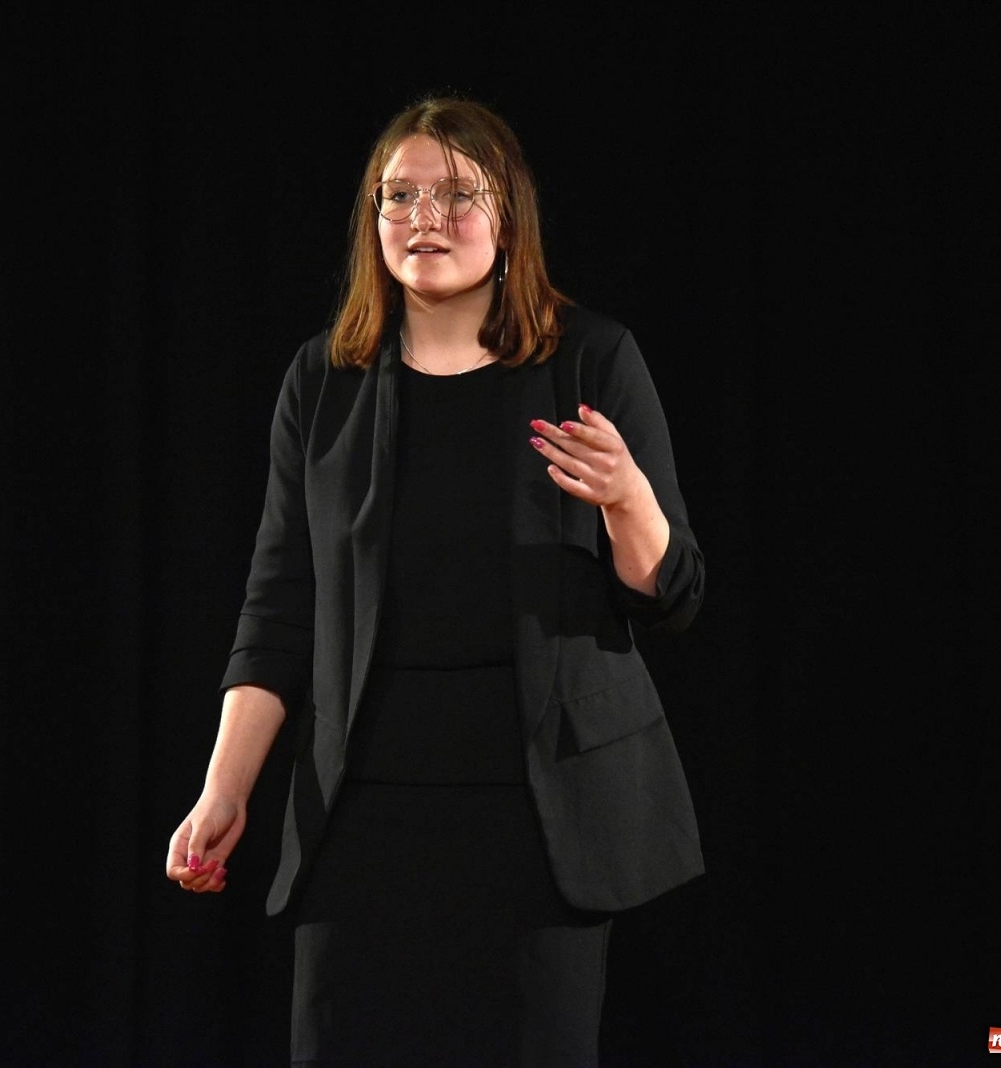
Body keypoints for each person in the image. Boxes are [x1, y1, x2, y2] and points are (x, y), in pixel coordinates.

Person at [166, 95, 705, 1067]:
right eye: (400, 195)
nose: (424, 219)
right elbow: (277, 610)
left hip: (541, 825)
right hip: (364, 819)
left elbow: (671, 594)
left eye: (458, 195)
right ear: (371, 220)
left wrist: (627, 499)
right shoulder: (322, 381)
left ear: (510, 218)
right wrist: (222, 791)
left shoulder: (590, 358)